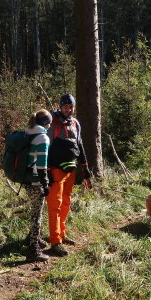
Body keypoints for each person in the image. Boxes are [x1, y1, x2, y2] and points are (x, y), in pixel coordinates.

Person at [46, 94, 91, 256]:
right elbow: (46, 148)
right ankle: (55, 241)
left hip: (70, 169)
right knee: (55, 205)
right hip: (55, 170)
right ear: (60, 106)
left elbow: (79, 145)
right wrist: (47, 171)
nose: (68, 109)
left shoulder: (75, 123)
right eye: (65, 106)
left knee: (66, 203)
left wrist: (85, 168)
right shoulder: (53, 123)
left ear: (74, 107)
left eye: (70, 106)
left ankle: (62, 233)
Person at [23, 109, 52, 262]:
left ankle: (34, 237)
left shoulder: (28, 133)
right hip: (35, 180)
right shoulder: (42, 138)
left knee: (34, 209)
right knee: (37, 214)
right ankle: (33, 249)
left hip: (26, 178)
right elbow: (42, 165)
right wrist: (45, 184)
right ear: (47, 123)